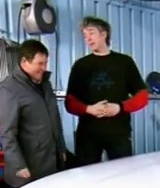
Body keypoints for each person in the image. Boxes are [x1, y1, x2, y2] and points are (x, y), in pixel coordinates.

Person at [64, 16, 149, 166]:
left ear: (104, 34)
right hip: (88, 134)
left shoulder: (124, 62)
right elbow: (70, 102)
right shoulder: (81, 65)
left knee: (123, 174)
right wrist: (89, 109)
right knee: (87, 176)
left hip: (118, 133)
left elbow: (142, 96)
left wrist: (119, 107)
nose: (88, 38)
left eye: (91, 33)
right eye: (85, 35)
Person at [0, 39, 68, 188]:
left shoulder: (45, 85)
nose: (44, 68)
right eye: (39, 63)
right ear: (24, 61)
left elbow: (55, 120)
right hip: (28, 169)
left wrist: (62, 150)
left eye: (46, 63)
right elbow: (7, 132)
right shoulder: (8, 89)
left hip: (51, 164)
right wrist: (18, 166)